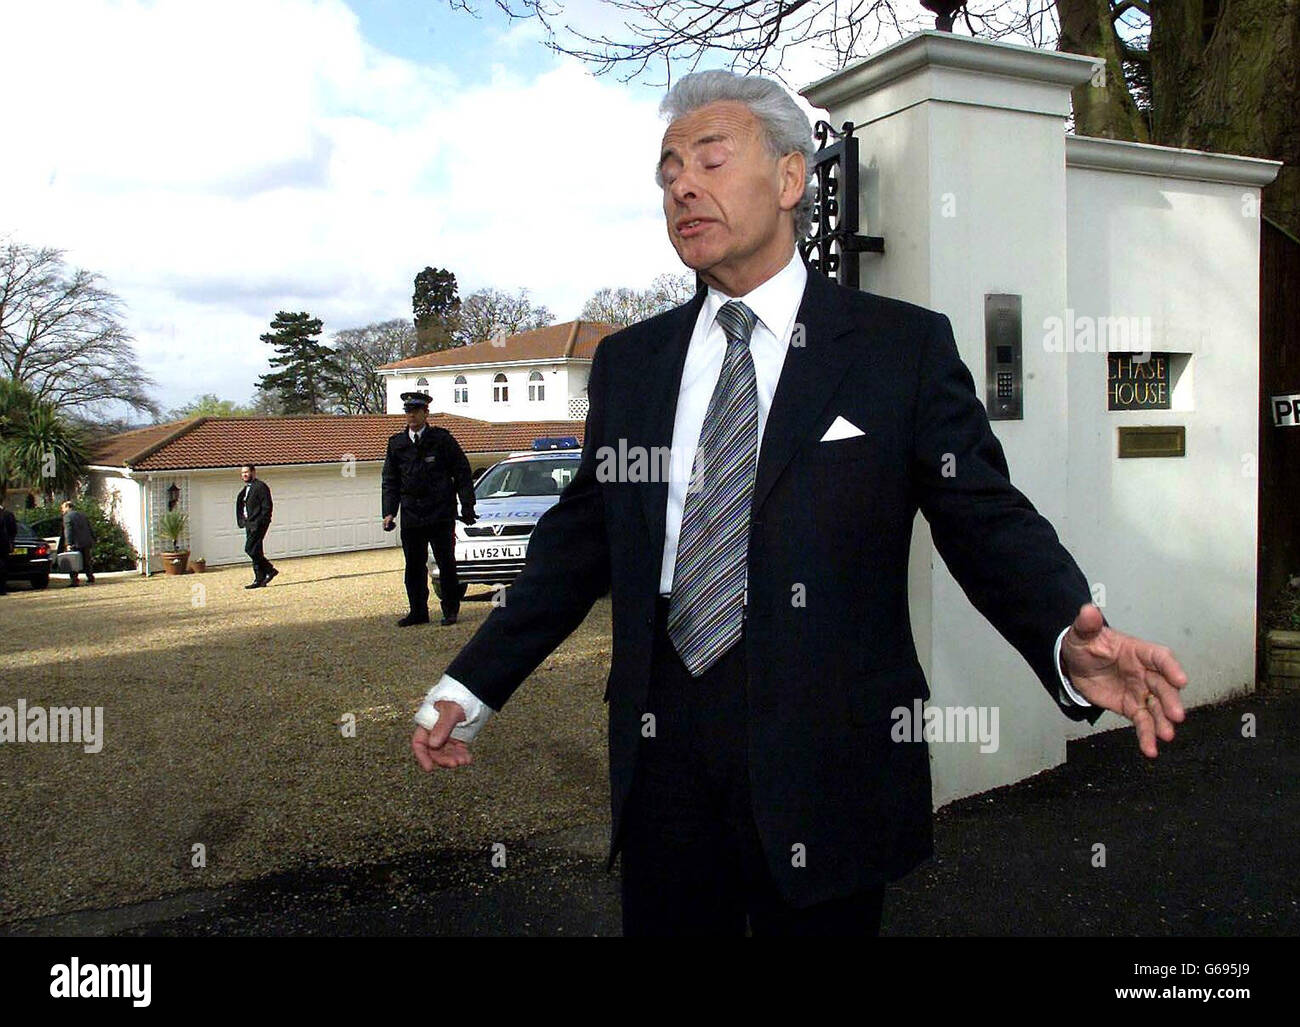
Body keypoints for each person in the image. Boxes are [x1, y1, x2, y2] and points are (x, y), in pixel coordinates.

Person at [409, 70, 1189, 937]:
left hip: (832, 753)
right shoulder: (633, 366)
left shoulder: (899, 348)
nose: (682, 186)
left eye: (710, 159)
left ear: (789, 181)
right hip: (664, 742)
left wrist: (1059, 632)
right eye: (668, 172)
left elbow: (985, 517)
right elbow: (577, 541)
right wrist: (472, 683)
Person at [381, 391, 477, 627]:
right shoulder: (397, 444)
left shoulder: (441, 440)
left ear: (426, 413)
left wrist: (467, 505)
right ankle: (418, 611)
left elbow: (462, 472)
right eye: (407, 411)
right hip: (412, 513)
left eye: (415, 411)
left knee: (445, 563)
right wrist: (389, 512)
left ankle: (450, 610)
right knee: (414, 566)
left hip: (440, 512)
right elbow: (390, 480)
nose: (411, 415)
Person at [235, 465, 277, 589]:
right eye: (242, 473)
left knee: (250, 549)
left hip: (258, 524)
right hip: (249, 523)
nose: (244, 474)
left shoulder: (260, 487)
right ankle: (259, 579)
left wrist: (261, 522)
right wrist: (243, 520)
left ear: (253, 472)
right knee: (256, 551)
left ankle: (270, 570)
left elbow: (267, 506)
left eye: (247, 472)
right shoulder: (246, 489)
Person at [59, 500, 96, 585]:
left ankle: (74, 580)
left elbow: (68, 531)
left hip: (75, 542)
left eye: (63, 508)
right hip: (86, 541)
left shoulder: (67, 517)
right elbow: (89, 527)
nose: (62, 510)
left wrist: (68, 543)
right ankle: (90, 577)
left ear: (68, 507)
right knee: (87, 561)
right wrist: (93, 539)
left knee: (73, 562)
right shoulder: (82, 515)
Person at [0, 498, 16, 596]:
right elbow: (13, 530)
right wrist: (10, 540)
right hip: (5, 544)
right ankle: (2, 588)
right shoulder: (8, 514)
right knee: (3, 566)